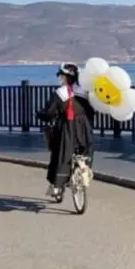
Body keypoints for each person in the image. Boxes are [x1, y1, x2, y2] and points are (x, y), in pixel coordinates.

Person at [36, 62, 95, 197]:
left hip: (67, 128)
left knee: (59, 152)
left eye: (61, 76)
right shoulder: (84, 91)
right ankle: (86, 169)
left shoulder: (60, 93)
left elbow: (49, 112)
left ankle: (57, 184)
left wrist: (40, 115)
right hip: (84, 127)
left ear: (65, 78)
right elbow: (92, 110)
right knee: (86, 149)